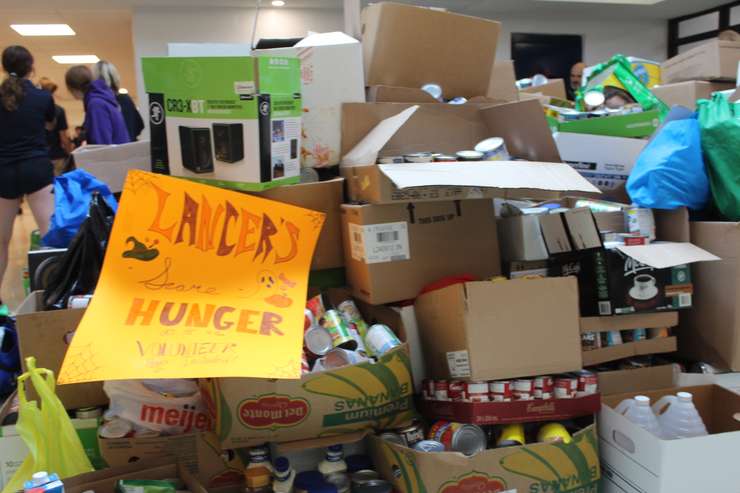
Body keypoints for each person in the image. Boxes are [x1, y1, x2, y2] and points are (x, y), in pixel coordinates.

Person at [0, 46, 56, 308]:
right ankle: (56, 292)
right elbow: (48, 126)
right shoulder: (42, 97)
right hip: (36, 167)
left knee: (2, 240)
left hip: (4, 170)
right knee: (50, 235)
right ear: (31, 66)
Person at [65, 64, 130, 145]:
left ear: (72, 88)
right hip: (119, 154)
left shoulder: (96, 104)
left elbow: (101, 145)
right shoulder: (103, 99)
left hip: (112, 156)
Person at [92, 60, 144, 141]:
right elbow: (139, 125)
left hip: (113, 151)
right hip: (130, 147)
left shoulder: (97, 103)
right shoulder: (126, 99)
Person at [38, 77, 73, 174]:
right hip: (57, 156)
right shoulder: (59, 110)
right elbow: (63, 137)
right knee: (58, 186)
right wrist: (70, 153)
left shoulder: (34, 110)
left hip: (39, 157)